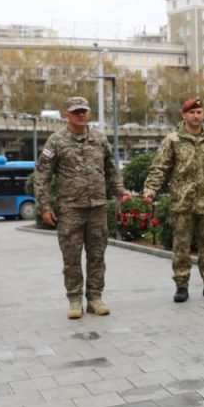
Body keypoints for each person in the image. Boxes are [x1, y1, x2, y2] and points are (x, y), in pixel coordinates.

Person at [35, 96, 131, 319]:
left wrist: (120, 190)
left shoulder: (99, 138)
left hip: (97, 207)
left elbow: (111, 169)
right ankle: (75, 300)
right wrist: (45, 206)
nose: (80, 115)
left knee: (97, 256)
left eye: (84, 111)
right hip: (70, 209)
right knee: (72, 258)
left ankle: (95, 298)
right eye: (76, 111)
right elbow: (42, 175)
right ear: (67, 114)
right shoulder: (56, 141)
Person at [143, 97, 204, 302]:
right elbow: (160, 167)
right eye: (192, 112)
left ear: (203, 114)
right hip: (182, 202)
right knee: (181, 246)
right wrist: (150, 189)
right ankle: (181, 285)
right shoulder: (173, 140)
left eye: (199, 112)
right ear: (184, 115)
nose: (196, 116)